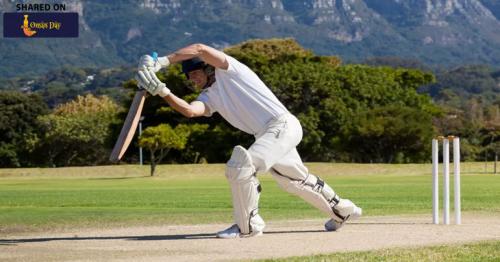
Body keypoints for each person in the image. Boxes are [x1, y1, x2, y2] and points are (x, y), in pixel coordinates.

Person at [135, 43, 362, 239]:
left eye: (194, 72)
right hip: (269, 134)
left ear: (206, 66)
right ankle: (342, 210)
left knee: (241, 165)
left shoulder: (230, 70)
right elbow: (190, 111)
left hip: (280, 125)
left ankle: (248, 226)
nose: (191, 79)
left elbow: (200, 48)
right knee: (295, 181)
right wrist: (161, 90)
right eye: (188, 76)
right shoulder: (208, 96)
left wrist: (162, 61)